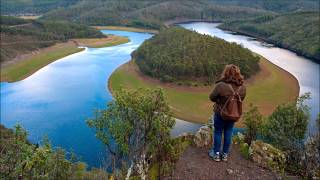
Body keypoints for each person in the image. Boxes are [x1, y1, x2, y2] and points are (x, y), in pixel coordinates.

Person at [208, 64, 246, 162]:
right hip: (233, 114)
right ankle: (225, 155)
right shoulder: (242, 88)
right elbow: (241, 99)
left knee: (218, 132)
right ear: (238, 74)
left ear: (226, 72)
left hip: (220, 114)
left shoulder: (221, 85)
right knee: (229, 132)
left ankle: (216, 154)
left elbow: (212, 98)